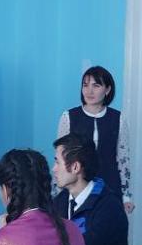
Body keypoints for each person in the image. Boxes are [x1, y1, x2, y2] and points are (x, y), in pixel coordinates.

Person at [52, 134, 128, 245]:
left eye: (57, 162)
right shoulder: (62, 200)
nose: (54, 169)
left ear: (75, 167)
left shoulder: (109, 208)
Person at [57, 66, 134, 213]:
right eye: (85, 85)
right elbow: (61, 157)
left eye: (96, 85)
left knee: (109, 225)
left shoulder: (118, 119)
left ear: (107, 90)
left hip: (110, 187)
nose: (89, 91)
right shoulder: (69, 117)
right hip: (77, 187)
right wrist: (58, 193)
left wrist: (126, 196)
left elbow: (123, 160)